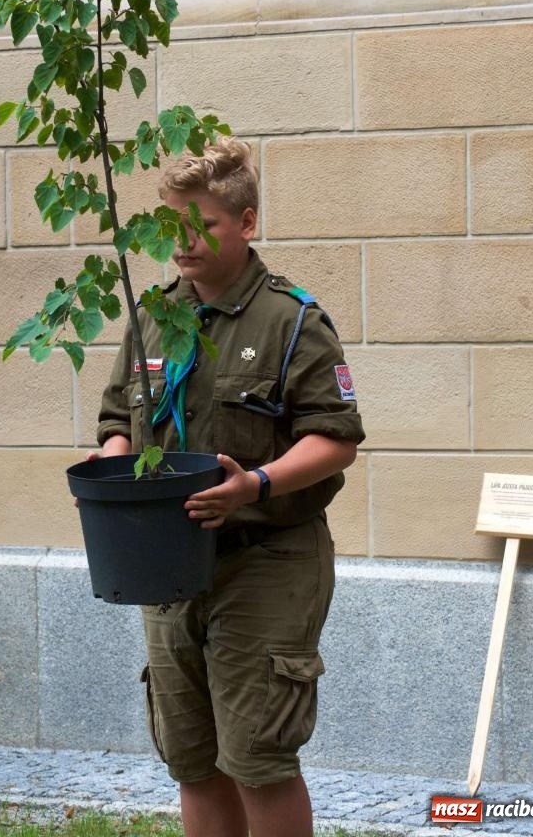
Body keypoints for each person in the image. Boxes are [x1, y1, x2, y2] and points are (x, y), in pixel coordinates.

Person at [96, 137, 365, 837]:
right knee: (191, 758)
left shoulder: (292, 319)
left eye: (203, 224)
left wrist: (258, 484)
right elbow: (116, 420)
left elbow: (335, 439)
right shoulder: (152, 312)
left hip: (266, 559)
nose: (181, 241)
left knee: (258, 756)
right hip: (165, 562)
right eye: (170, 225)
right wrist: (113, 469)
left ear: (245, 222)